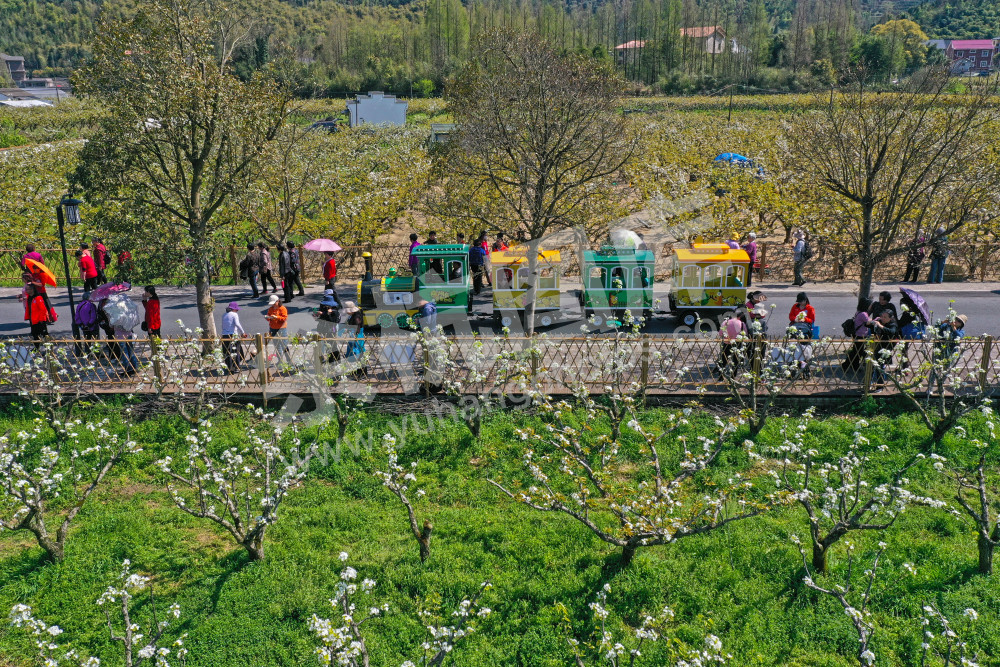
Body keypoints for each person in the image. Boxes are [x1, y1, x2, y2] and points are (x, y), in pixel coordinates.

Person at [843, 297, 874, 372]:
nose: (871, 306)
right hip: (860, 335)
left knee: (856, 351)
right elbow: (869, 322)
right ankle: (846, 365)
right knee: (858, 352)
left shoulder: (859, 312)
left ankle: (854, 366)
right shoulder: (863, 314)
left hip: (857, 334)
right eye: (870, 305)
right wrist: (877, 320)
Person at [264, 294, 293, 367]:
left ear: (278, 301)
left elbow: (284, 318)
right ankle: (280, 361)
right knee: (277, 346)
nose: (273, 305)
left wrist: (276, 317)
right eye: (272, 303)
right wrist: (268, 317)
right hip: (273, 328)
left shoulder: (282, 308)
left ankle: (289, 361)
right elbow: (268, 317)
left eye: (274, 303)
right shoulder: (271, 309)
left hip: (281, 328)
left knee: (284, 345)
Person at [314, 292, 341, 363]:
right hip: (323, 329)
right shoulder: (324, 310)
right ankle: (323, 359)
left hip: (331, 330)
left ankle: (335, 360)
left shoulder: (335, 312)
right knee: (321, 344)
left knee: (332, 345)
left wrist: (328, 314)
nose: (325, 306)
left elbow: (333, 321)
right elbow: (322, 319)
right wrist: (318, 316)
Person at [221, 301, 245, 373]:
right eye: (236, 309)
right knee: (236, 351)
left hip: (225, 335)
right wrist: (243, 332)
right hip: (233, 335)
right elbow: (237, 324)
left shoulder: (224, 315)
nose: (237, 310)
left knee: (227, 351)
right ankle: (236, 367)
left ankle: (229, 367)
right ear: (234, 309)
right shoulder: (234, 314)